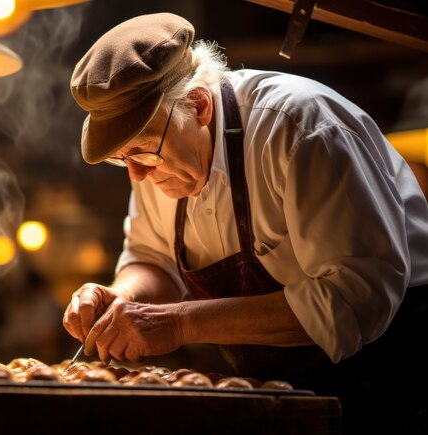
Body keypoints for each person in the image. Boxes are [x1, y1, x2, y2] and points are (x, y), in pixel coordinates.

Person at [63, 12, 428, 434]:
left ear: (198, 105)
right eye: (121, 158)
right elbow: (151, 258)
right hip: (288, 388)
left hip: (394, 376)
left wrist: (179, 323)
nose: (136, 175)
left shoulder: (301, 130)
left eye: (142, 151)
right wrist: (122, 299)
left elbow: (355, 298)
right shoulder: (158, 152)